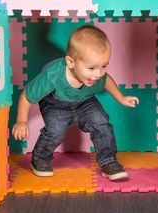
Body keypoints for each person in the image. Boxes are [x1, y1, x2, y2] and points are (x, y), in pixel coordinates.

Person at [12, 25, 139, 181]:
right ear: (71, 63)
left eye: (104, 66)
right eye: (92, 68)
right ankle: (40, 158)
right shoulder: (53, 77)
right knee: (56, 130)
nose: (99, 74)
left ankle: (109, 161)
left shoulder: (96, 76)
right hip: (55, 102)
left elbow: (106, 81)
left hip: (83, 100)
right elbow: (27, 95)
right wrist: (21, 121)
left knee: (102, 123)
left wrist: (120, 97)